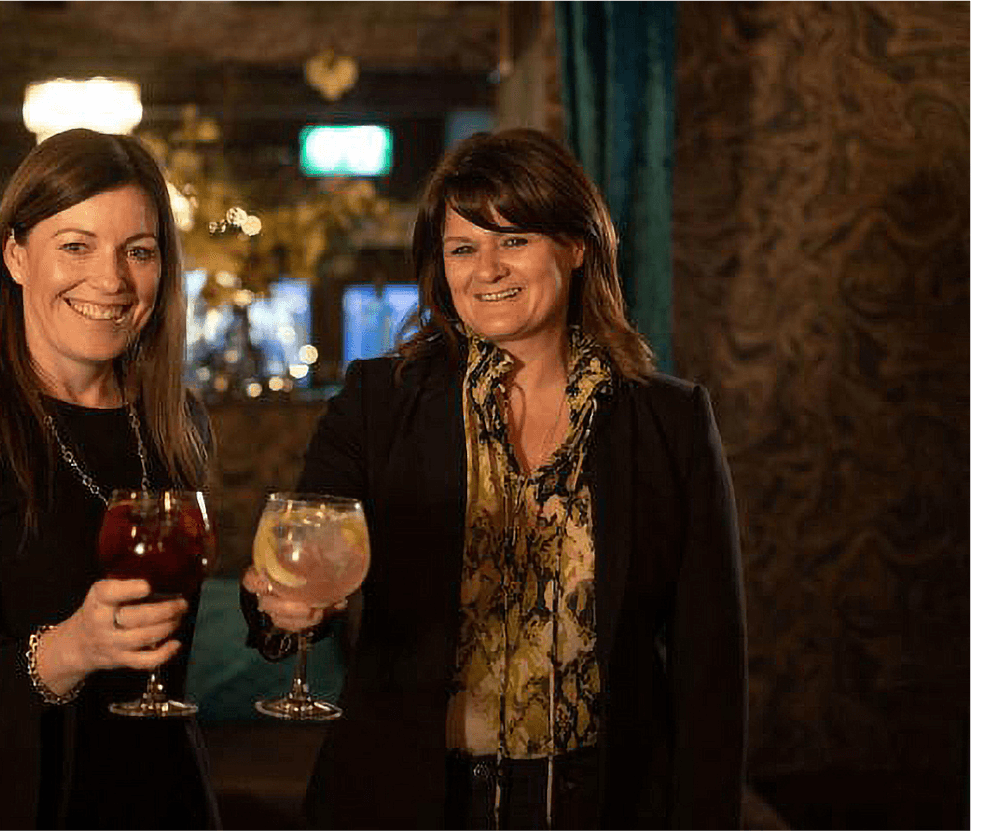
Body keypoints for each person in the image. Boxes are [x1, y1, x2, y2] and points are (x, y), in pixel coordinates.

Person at [241, 128, 746, 830]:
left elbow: (709, 662)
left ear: (575, 246)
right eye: (462, 247)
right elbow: (299, 552)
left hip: (603, 803)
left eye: (513, 239)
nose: (486, 268)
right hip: (409, 799)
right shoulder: (378, 402)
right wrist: (280, 608)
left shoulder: (670, 419)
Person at [0, 127, 223, 830]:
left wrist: (277, 615)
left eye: (139, 251)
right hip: (14, 806)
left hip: (160, 796)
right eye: (76, 245)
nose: (111, 280)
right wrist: (72, 648)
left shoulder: (175, 419)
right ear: (14, 254)